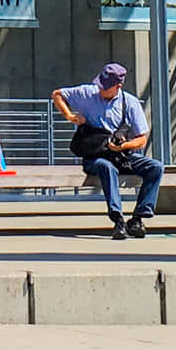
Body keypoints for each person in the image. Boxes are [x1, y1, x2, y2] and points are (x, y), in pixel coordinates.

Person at [54, 63, 163, 241]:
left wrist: (123, 146)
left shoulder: (131, 103)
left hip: (121, 154)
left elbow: (142, 139)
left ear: (118, 87)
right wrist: (70, 116)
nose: (100, 89)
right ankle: (118, 219)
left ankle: (139, 217)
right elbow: (57, 94)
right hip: (95, 155)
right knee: (106, 167)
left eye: (105, 87)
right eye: (99, 84)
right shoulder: (87, 93)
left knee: (155, 167)